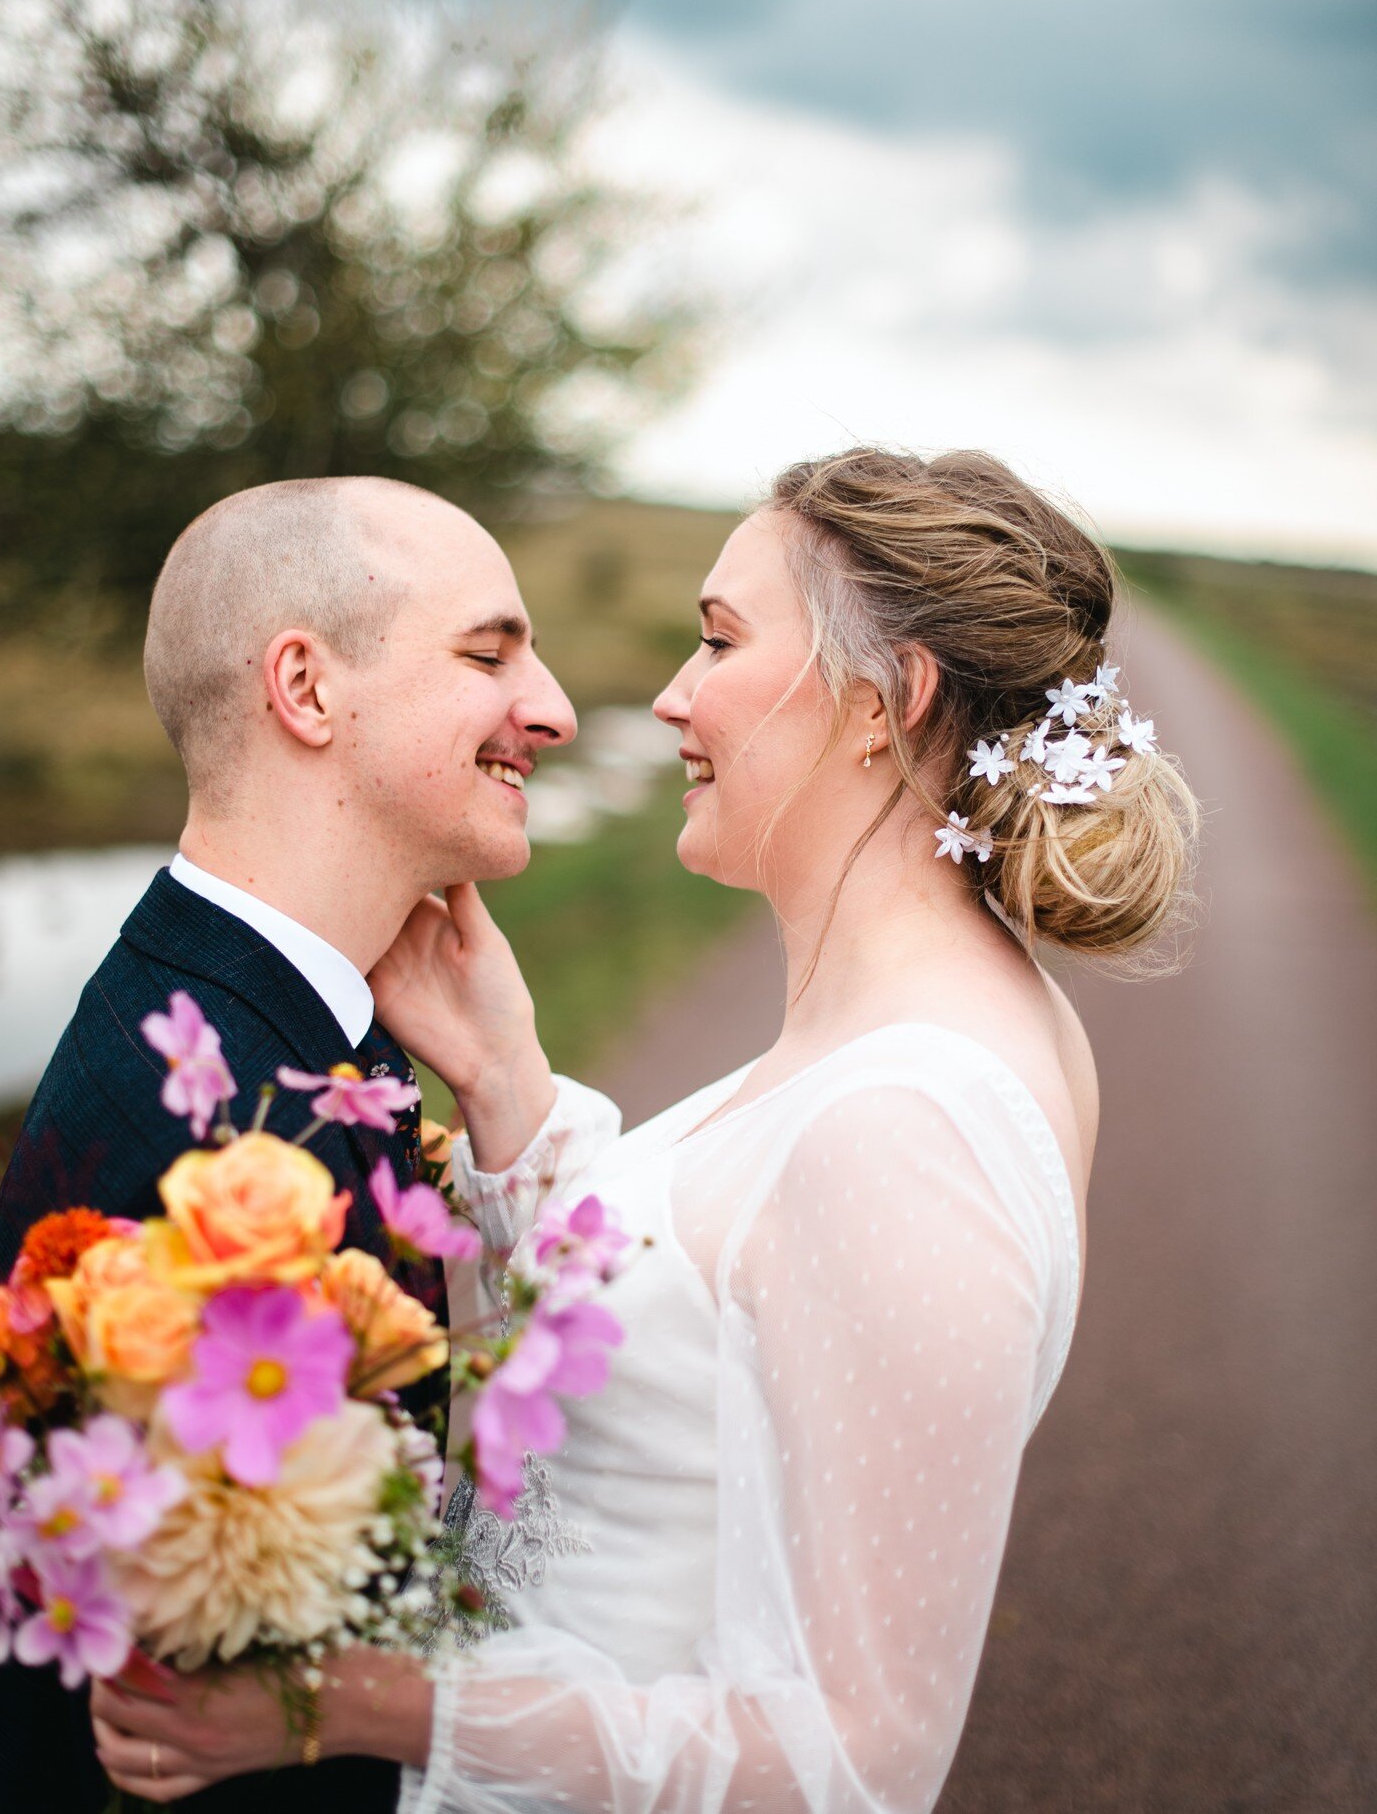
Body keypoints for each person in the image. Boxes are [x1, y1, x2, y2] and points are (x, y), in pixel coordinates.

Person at [90, 447, 1199, 1810]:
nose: (668, 694)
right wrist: (510, 1088)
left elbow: (855, 1759)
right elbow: (696, 1345)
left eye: (721, 639)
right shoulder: (910, 1032)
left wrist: (371, 1702)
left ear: (882, 701)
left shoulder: (909, 1128)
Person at [0, 476, 576, 1814]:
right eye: (488, 652)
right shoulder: (204, 1140)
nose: (555, 707)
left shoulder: (269, 1027)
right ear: (306, 687)